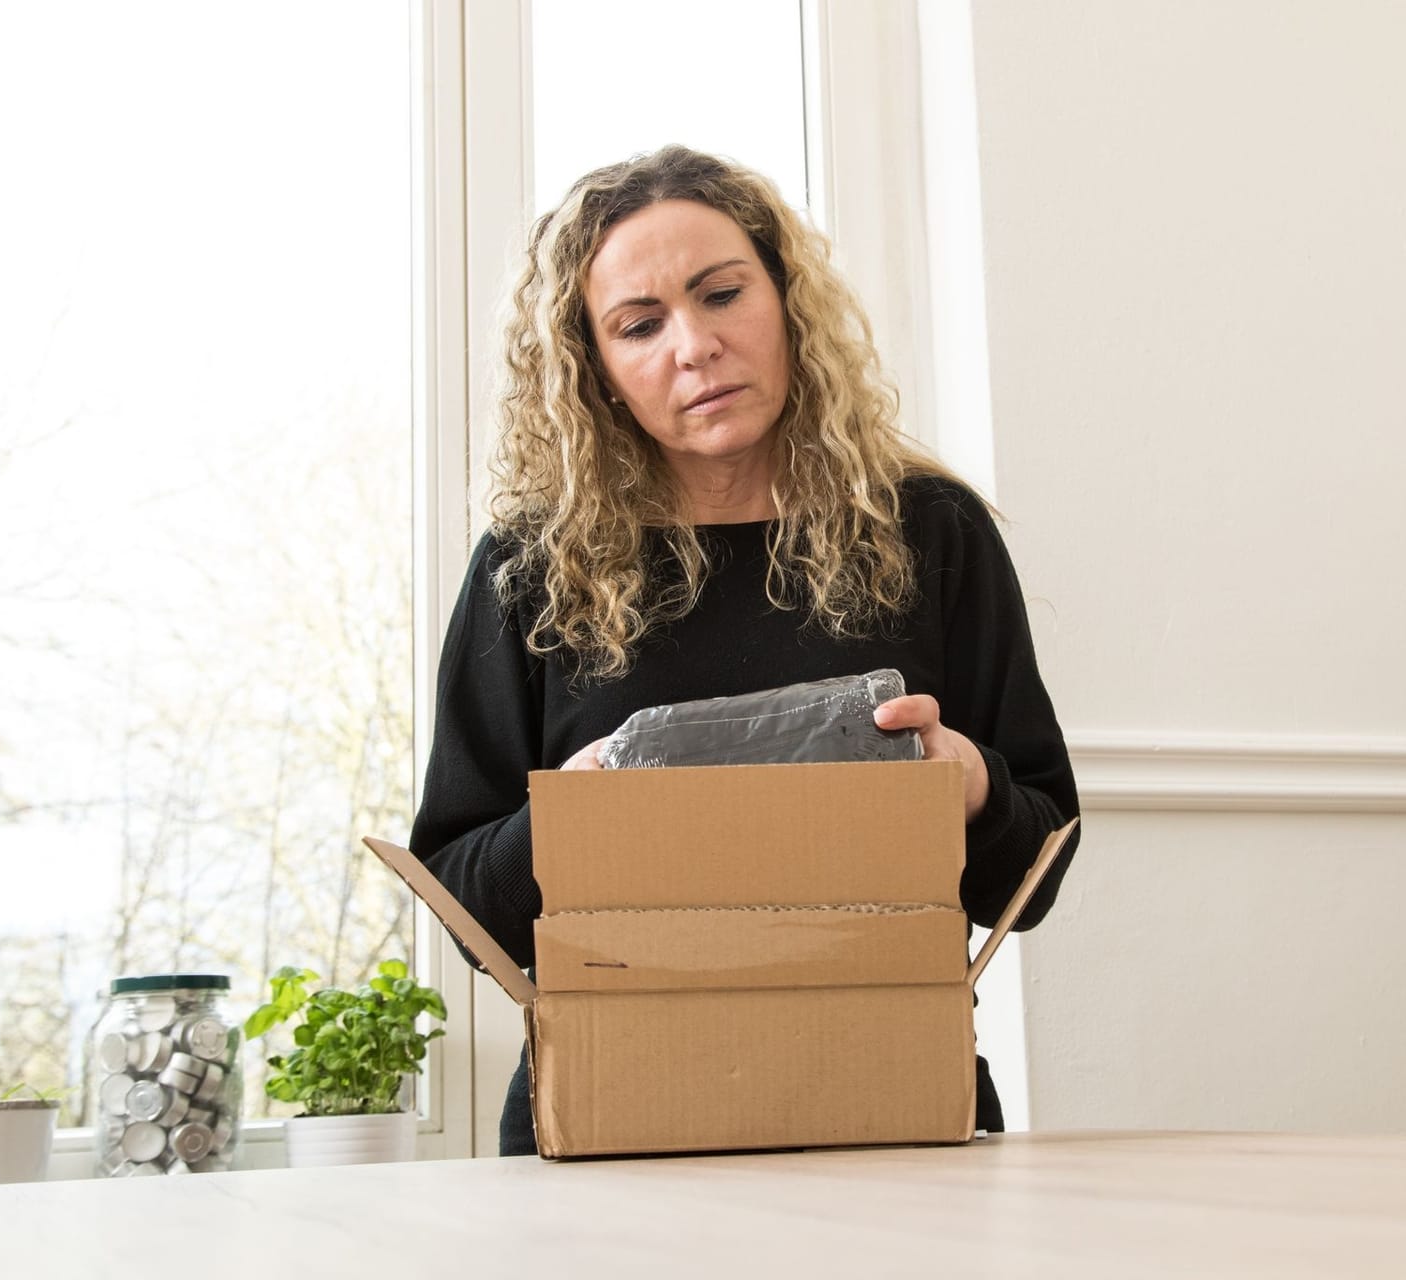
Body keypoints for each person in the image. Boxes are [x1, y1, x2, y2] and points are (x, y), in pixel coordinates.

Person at [407, 144, 1080, 1157]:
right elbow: (463, 901)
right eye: (641, 324)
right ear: (595, 368)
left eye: (723, 294)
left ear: (787, 300)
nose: (696, 345)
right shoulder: (531, 566)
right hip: (603, 1120)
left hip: (892, 1109)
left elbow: (1037, 873)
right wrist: (572, 810)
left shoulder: (928, 530)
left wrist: (964, 778)